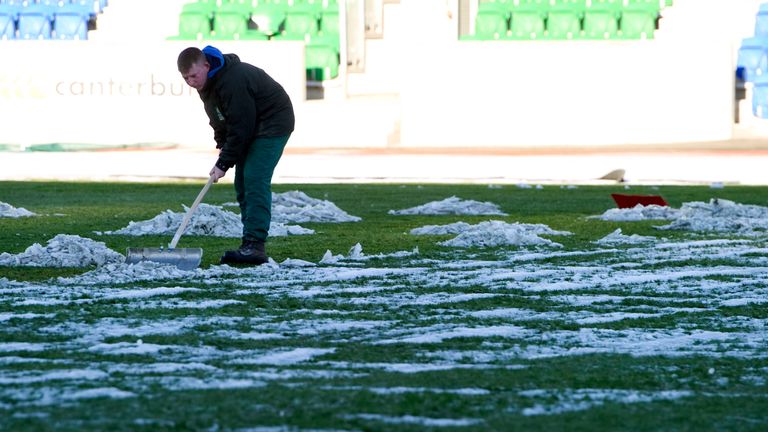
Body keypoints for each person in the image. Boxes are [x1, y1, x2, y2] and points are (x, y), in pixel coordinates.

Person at [177, 45, 295, 265]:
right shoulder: (207, 84)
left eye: (194, 75)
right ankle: (248, 243)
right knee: (241, 183)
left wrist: (223, 163)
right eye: (186, 78)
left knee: (254, 178)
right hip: (251, 125)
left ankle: (255, 245)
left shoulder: (232, 80)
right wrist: (222, 147)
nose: (191, 82)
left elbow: (241, 126)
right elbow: (219, 119)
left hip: (273, 122)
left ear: (206, 65)